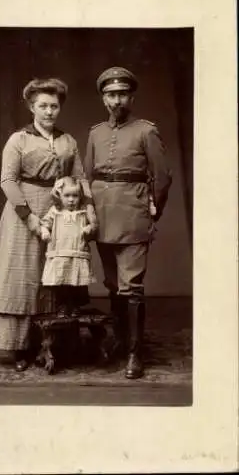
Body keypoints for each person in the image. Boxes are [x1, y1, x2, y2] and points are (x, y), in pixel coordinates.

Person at [0, 78, 95, 372]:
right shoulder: (18, 139)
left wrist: (89, 213)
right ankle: (18, 347)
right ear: (31, 107)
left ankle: (49, 344)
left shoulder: (68, 141)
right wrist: (30, 217)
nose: (49, 112)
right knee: (21, 276)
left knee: (51, 275)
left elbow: (80, 179)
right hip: (22, 211)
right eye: (43, 106)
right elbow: (7, 181)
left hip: (60, 213)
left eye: (54, 106)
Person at [84, 66, 172, 379]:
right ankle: (120, 341)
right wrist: (89, 212)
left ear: (131, 97)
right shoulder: (95, 132)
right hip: (103, 216)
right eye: (110, 94)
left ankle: (136, 354)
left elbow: (162, 178)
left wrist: (152, 211)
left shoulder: (146, 130)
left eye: (122, 94)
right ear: (103, 99)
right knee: (112, 286)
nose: (116, 100)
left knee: (131, 287)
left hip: (133, 215)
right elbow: (86, 177)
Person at [40, 176, 97, 318]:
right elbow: (45, 223)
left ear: (80, 196)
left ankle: (76, 306)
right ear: (59, 195)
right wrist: (45, 231)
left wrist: (89, 228)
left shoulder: (83, 213)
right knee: (61, 283)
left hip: (77, 253)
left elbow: (94, 226)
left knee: (77, 283)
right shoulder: (56, 212)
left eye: (75, 196)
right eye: (67, 195)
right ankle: (62, 307)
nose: (71, 199)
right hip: (60, 254)